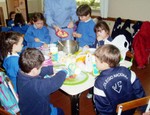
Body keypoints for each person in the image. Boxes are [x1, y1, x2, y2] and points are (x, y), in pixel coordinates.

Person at [93, 44, 146, 115]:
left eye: (96, 61)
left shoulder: (99, 83)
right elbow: (139, 92)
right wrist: (144, 109)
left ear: (104, 64)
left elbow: (103, 108)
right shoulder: (129, 72)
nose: (95, 63)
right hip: (131, 108)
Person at [17, 48, 68, 115]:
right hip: (39, 112)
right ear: (34, 69)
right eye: (41, 67)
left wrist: (51, 69)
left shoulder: (22, 74)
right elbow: (54, 83)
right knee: (60, 112)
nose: (42, 68)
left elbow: (38, 72)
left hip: (28, 109)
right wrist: (63, 72)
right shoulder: (35, 86)